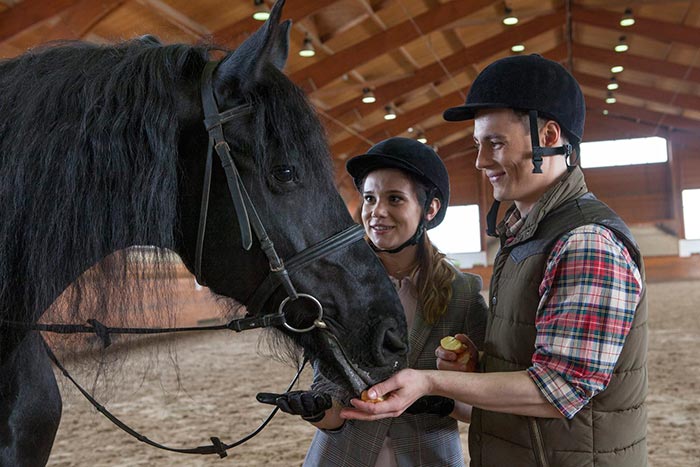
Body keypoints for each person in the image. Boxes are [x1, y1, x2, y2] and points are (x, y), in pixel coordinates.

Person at [341, 54, 648, 467]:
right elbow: (529, 361)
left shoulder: (586, 242)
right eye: (478, 145)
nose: (481, 161)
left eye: (495, 143)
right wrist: (479, 365)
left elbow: (560, 387)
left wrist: (432, 381)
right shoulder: (527, 234)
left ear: (550, 135)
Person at [261, 137, 488, 466]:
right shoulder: (335, 290)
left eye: (395, 199)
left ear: (430, 209)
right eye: (369, 199)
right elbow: (332, 399)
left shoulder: (464, 294)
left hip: (430, 457)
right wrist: (318, 410)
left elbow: (482, 406)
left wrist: (443, 398)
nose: (377, 212)